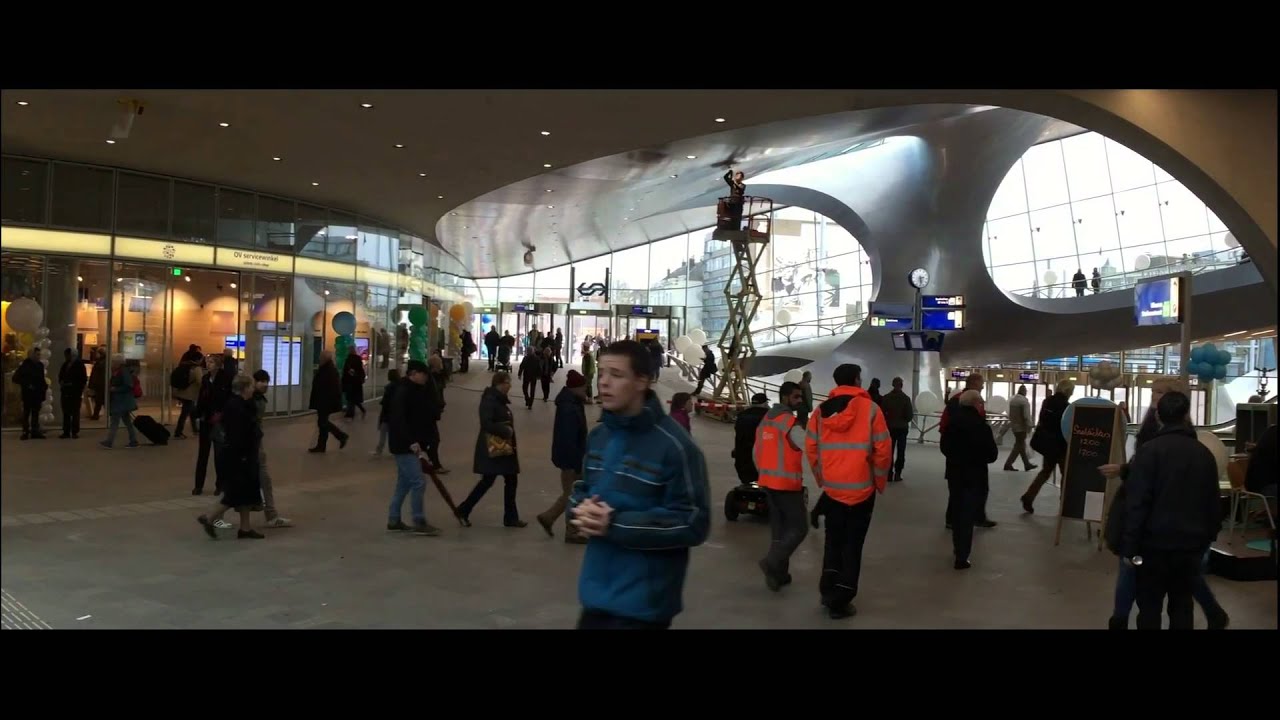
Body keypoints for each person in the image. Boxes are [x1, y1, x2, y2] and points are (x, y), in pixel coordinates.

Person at [569, 340, 711, 629]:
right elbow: (583, 489)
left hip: (643, 606)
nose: (604, 382)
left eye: (617, 375)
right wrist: (579, 509)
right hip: (595, 596)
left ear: (642, 381)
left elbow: (693, 522)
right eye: (602, 372)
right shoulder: (599, 438)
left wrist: (616, 524)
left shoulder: (675, 447)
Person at [1101, 377, 1228, 630]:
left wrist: (1130, 545)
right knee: (1182, 603)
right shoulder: (1201, 452)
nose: (1152, 397)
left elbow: (1140, 501)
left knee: (1149, 603)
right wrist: (1206, 537)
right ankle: (1213, 613)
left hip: (1155, 540)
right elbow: (1212, 500)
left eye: (1158, 393)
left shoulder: (1153, 449)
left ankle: (1119, 618)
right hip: (1188, 540)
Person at [805, 363, 891, 619]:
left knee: (833, 541)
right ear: (856, 379)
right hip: (862, 490)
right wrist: (877, 481)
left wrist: (823, 479)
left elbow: (811, 450)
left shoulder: (820, 413)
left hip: (833, 490)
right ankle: (841, 599)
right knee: (853, 544)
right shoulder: (871, 410)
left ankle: (827, 589)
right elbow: (883, 451)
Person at [197, 375, 265, 540]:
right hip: (240, 456)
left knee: (245, 494)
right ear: (244, 388)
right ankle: (210, 517)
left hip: (242, 455)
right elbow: (238, 434)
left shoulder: (240, 403)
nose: (253, 388)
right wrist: (243, 456)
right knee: (236, 493)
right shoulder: (236, 407)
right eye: (250, 386)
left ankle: (245, 528)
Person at [756, 381, 809, 591]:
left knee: (779, 531)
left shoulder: (766, 420)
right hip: (787, 484)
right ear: (785, 397)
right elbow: (807, 445)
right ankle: (772, 561)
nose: (800, 401)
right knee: (799, 528)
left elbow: (756, 450)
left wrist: (762, 473)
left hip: (768, 482)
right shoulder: (789, 422)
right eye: (796, 397)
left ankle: (778, 575)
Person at [455, 372, 525, 528]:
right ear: (499, 383)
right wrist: (505, 430)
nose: (510, 385)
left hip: (503, 448)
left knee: (510, 480)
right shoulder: (489, 400)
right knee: (488, 481)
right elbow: (486, 423)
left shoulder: (498, 400)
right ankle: (464, 509)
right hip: (494, 448)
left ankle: (511, 517)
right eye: (508, 382)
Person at [940, 390, 999, 569]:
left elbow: (944, 448)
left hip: (955, 473)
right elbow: (992, 455)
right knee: (967, 514)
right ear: (976, 404)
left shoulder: (952, 424)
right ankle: (962, 555)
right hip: (975, 475)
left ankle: (958, 548)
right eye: (981, 402)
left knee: (958, 511)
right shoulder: (982, 426)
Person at [385, 360, 443, 536]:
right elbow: (399, 419)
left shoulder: (415, 390)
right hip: (403, 445)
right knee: (418, 482)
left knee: (404, 483)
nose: (426, 378)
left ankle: (394, 519)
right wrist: (411, 441)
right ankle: (419, 520)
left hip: (407, 443)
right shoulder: (404, 391)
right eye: (423, 374)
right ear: (414, 373)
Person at [536, 369, 589, 543]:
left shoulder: (572, 402)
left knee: (571, 493)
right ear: (575, 388)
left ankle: (549, 518)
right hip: (571, 459)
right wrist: (576, 463)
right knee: (573, 494)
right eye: (583, 388)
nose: (585, 391)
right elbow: (568, 438)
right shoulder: (569, 407)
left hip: (571, 457)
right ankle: (570, 530)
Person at [941, 372, 996, 527]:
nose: (983, 386)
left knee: (957, 489)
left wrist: (950, 453)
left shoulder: (955, 403)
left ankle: (955, 519)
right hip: (975, 460)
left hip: (956, 459)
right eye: (981, 383)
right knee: (976, 488)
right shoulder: (964, 404)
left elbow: (944, 432)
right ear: (973, 384)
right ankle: (972, 518)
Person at [1021, 378, 1074, 513]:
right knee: (1066, 474)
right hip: (1061, 445)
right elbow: (1066, 427)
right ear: (1068, 391)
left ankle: (1029, 496)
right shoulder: (1067, 406)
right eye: (1072, 391)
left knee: (1045, 472)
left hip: (1048, 445)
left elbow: (1043, 420)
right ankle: (1065, 505)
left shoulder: (1047, 401)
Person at [251, 370, 293, 529]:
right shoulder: (250, 400)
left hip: (255, 443)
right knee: (262, 479)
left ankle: (269, 513)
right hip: (251, 445)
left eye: (266, 381)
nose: (265, 384)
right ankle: (213, 515)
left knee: (261, 480)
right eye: (261, 381)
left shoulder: (257, 398)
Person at [308, 351, 349, 453]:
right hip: (323, 400)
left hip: (325, 401)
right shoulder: (327, 369)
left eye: (321, 357)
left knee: (323, 422)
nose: (319, 358)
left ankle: (340, 436)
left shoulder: (329, 370)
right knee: (322, 423)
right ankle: (322, 445)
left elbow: (331, 388)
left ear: (325, 359)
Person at [100, 355, 139, 449]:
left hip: (121, 401)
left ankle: (109, 441)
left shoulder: (123, 372)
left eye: (113, 362)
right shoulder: (119, 371)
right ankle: (133, 440)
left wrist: (115, 389)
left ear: (119, 363)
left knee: (115, 421)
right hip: (122, 401)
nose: (112, 364)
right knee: (127, 422)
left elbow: (128, 385)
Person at [879, 377, 914, 482]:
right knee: (901, 451)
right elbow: (909, 416)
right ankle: (898, 474)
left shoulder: (886, 398)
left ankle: (889, 474)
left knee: (889, 451)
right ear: (901, 385)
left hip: (889, 428)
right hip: (902, 428)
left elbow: (881, 413)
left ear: (892, 385)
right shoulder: (906, 399)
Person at [733, 393, 770, 485]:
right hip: (762, 462)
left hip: (742, 462)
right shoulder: (769, 417)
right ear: (765, 403)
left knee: (747, 485)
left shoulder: (741, 416)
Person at [13, 348, 47, 440]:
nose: (38, 356)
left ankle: (35, 431)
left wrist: (44, 388)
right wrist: (27, 385)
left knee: (35, 413)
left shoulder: (40, 365)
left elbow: (41, 379)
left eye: (39, 354)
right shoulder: (25, 365)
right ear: (31, 355)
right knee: (26, 413)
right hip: (28, 394)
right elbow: (16, 378)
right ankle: (25, 431)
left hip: (37, 393)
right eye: (37, 354)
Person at [1002, 384, 1037, 472]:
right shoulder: (1024, 402)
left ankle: (1026, 464)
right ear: (1024, 392)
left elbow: (1010, 414)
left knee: (1020, 445)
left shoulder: (1013, 400)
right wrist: (1030, 425)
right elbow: (1026, 416)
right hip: (1021, 427)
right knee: (1019, 446)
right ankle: (1008, 464)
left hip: (1014, 426)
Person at [57, 348, 87, 439]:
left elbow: (82, 379)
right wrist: (61, 382)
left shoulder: (79, 365)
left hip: (75, 392)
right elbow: (60, 375)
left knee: (75, 412)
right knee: (66, 411)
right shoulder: (65, 364)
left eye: (67, 355)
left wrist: (75, 386)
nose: (66, 357)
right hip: (65, 391)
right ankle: (66, 431)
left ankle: (74, 431)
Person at [172, 354, 204, 439]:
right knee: (184, 413)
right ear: (198, 360)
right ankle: (178, 432)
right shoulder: (197, 368)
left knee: (192, 411)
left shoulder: (184, 366)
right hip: (189, 394)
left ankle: (195, 429)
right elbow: (200, 381)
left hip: (182, 392)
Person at [372, 369, 401, 456]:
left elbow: (385, 402)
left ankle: (379, 450)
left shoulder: (389, 388)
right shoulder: (401, 386)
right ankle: (395, 449)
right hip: (396, 414)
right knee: (394, 434)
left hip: (387, 414)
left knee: (383, 433)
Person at [342, 346, 367, 420]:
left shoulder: (348, 360)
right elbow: (361, 370)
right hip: (356, 382)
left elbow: (345, 372)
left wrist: (343, 381)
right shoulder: (358, 359)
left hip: (350, 382)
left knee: (351, 398)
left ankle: (350, 413)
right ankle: (356, 411)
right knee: (353, 398)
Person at [518, 345, 541, 409]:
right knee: (526, 389)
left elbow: (539, 367)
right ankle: (528, 399)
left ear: (532, 351)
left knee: (531, 389)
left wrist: (539, 375)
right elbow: (522, 366)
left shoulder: (536, 358)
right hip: (529, 375)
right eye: (528, 351)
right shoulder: (526, 358)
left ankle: (529, 403)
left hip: (531, 375)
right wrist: (519, 374)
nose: (528, 352)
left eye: (529, 351)